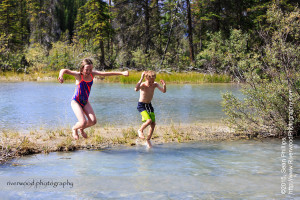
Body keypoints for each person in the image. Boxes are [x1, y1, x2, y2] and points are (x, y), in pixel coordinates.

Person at [58, 58, 129, 140]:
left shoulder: (93, 74)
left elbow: (106, 74)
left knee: (93, 121)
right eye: (86, 69)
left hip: (85, 102)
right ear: (82, 68)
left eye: (90, 69)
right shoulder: (78, 75)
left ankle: (81, 128)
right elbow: (64, 70)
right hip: (76, 102)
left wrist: (122, 73)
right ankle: (74, 129)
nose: (88, 71)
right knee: (83, 121)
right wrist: (61, 75)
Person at [135, 71, 166, 148]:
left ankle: (148, 140)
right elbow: (136, 89)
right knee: (149, 121)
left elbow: (163, 91)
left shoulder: (155, 84)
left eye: (153, 80)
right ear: (146, 78)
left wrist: (164, 85)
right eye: (150, 81)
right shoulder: (143, 85)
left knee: (153, 124)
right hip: (141, 105)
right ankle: (140, 130)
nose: (152, 82)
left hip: (149, 105)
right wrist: (141, 78)